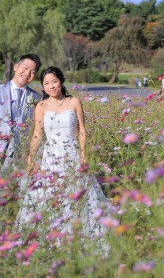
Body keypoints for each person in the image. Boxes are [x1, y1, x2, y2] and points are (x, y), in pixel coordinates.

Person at [16, 66, 109, 253]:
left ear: (61, 81)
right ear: (43, 86)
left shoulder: (74, 101)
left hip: (72, 157)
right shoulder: (41, 107)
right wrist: (31, 158)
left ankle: (78, 242)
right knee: (50, 199)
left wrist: (83, 155)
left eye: (54, 82)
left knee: (75, 197)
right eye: (46, 83)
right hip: (50, 160)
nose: (51, 86)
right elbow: (37, 135)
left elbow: (81, 130)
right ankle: (51, 244)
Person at [0, 53, 42, 232]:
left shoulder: (37, 98)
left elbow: (39, 131)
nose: (27, 73)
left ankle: (19, 242)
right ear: (16, 67)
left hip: (23, 159)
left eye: (33, 71)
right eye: (25, 68)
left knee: (24, 204)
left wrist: (36, 158)